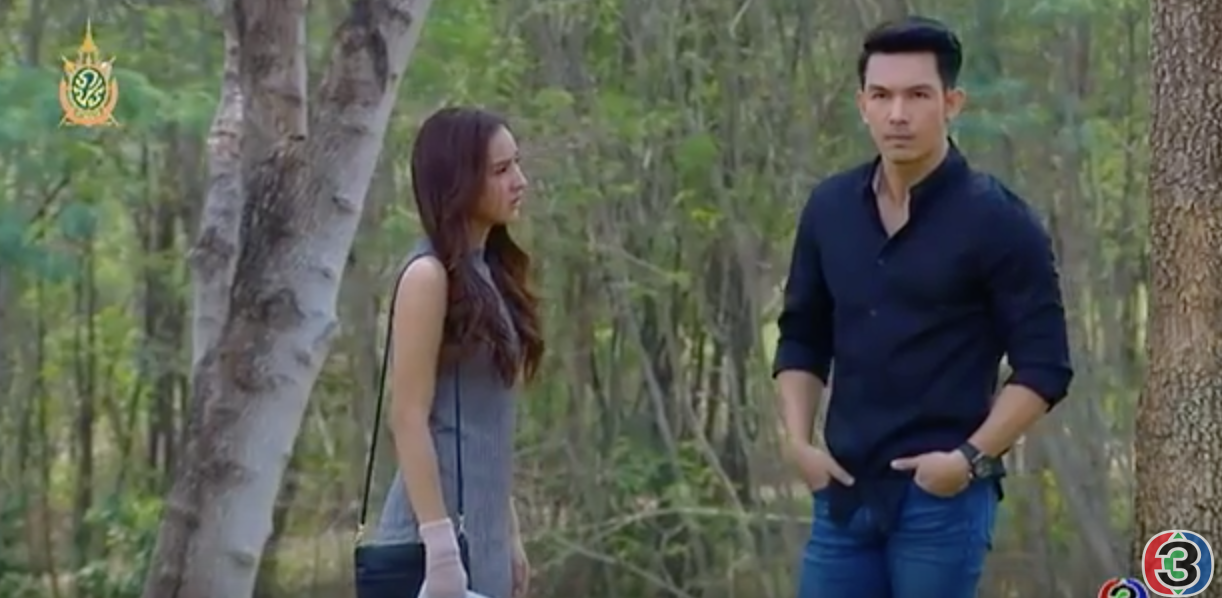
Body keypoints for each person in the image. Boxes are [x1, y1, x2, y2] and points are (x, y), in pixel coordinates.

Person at [772, 17, 1073, 598]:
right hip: (842, 494)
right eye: (881, 96)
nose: (897, 114)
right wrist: (797, 444)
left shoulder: (999, 221)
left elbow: (1044, 367)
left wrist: (966, 459)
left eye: (917, 95)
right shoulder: (829, 208)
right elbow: (802, 336)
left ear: (951, 103)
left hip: (942, 500)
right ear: (862, 104)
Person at [372, 107, 544, 598]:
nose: (519, 181)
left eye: (516, 163)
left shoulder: (490, 273)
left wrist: (509, 535)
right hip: (433, 549)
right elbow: (408, 417)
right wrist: (441, 550)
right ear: (459, 183)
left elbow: (485, 430)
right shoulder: (427, 276)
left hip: (481, 542)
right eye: (501, 170)